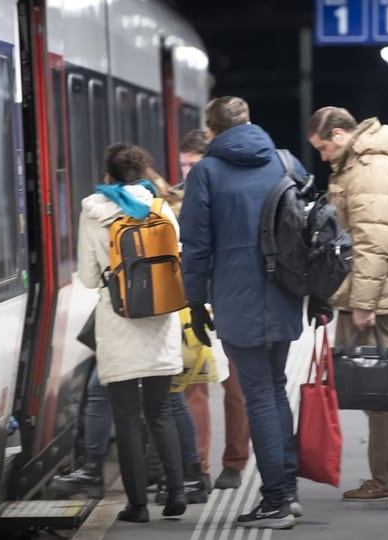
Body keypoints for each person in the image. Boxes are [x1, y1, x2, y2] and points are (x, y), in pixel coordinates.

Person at [181, 96, 309, 530]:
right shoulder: (286, 162)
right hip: (287, 293)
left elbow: (196, 247)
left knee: (260, 396)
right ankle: (287, 492)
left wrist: (194, 301)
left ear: (212, 131)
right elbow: (311, 229)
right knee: (273, 389)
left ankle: (274, 501)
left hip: (238, 298)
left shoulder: (206, 172)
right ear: (250, 122)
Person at [306, 106, 388, 501]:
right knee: (374, 382)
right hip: (374, 284)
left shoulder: (368, 169)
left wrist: (363, 302)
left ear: (339, 135)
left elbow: (373, 242)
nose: (321, 156)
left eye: (322, 147)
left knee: (375, 386)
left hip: (374, 288)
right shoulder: (361, 163)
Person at [76, 143, 186, 523]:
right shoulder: (161, 208)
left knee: (125, 417)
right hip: (160, 321)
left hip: (119, 322)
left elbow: (90, 278)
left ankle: (137, 505)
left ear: (108, 174)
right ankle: (175, 494)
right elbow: (178, 259)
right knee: (161, 412)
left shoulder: (94, 212)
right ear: (143, 173)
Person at [176, 128, 251, 492]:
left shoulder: (227, 197)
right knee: (195, 387)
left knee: (235, 389)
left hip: (230, 301)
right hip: (194, 303)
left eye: (193, 165)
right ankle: (199, 467)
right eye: (183, 165)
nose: (188, 172)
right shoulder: (178, 198)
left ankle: (234, 463)